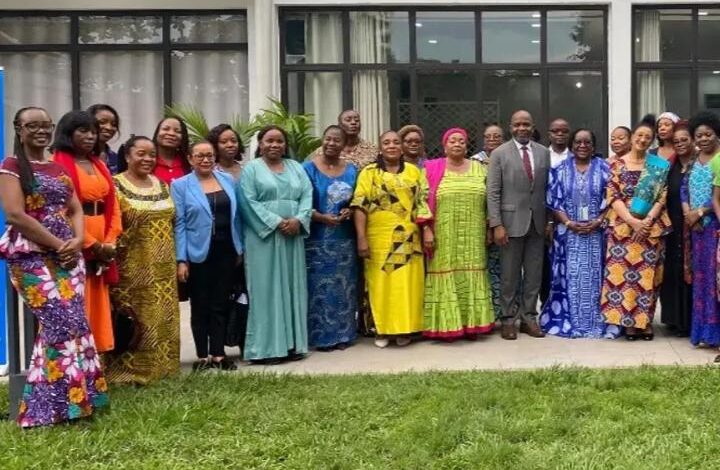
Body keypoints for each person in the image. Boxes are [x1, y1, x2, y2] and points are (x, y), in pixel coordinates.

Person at [0, 107, 108, 427]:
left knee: (75, 323)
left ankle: (80, 401)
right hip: (31, 256)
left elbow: (75, 208)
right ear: (19, 129)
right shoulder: (10, 167)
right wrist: (58, 244)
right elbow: (15, 215)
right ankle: (46, 408)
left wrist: (78, 239)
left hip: (68, 256)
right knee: (58, 323)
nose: (41, 131)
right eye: (32, 125)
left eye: (46, 125)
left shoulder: (56, 167)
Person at [105, 135, 180, 383]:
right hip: (131, 266)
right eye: (141, 154)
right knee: (135, 318)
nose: (148, 159)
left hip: (164, 266)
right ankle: (130, 372)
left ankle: (164, 367)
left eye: (152, 154)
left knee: (163, 316)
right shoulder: (115, 185)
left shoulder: (161, 184)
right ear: (127, 156)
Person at [238, 125, 312, 363]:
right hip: (264, 237)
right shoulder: (251, 169)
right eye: (269, 140)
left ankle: (293, 345)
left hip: (293, 236)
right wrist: (277, 222)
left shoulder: (296, 167)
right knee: (266, 290)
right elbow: (247, 201)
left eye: (279, 141)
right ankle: (266, 349)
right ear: (260, 144)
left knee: (292, 287)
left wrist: (299, 220)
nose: (275, 145)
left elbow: (307, 196)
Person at [351, 130, 430, 348]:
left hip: (409, 238)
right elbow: (359, 206)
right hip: (379, 239)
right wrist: (361, 237)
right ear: (380, 147)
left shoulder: (414, 171)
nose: (392, 146)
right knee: (380, 284)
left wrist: (426, 229)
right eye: (386, 142)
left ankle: (405, 329)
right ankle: (381, 329)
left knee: (406, 285)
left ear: (402, 147)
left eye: (396, 142)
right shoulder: (369, 173)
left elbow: (422, 203)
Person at [52, 110, 122, 354]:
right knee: (76, 303)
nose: (91, 136)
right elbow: (62, 211)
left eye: (93, 131)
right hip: (77, 241)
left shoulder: (99, 163)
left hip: (103, 239)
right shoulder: (57, 165)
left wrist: (110, 241)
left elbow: (113, 205)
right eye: (83, 131)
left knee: (98, 304)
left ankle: (94, 360)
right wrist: (93, 245)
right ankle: (75, 360)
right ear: (67, 133)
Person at [173, 141, 243, 371]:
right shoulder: (181, 185)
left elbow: (236, 217)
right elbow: (180, 224)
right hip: (197, 254)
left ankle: (219, 354)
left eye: (210, 155)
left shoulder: (227, 179)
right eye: (200, 156)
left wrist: (239, 248)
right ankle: (202, 355)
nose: (206, 160)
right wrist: (181, 259)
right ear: (190, 158)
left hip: (226, 251)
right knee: (200, 305)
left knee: (221, 303)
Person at [601, 115, 672, 340]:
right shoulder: (616, 164)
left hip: (651, 229)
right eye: (639, 135)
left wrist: (647, 220)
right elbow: (612, 195)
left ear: (652, 141)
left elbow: (662, 195)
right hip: (623, 229)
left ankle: (645, 322)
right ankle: (628, 323)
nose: (643, 140)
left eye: (647, 137)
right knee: (624, 277)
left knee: (648, 276)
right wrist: (633, 222)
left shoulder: (657, 165)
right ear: (632, 138)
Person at [422, 128, 494, 340]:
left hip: (474, 234)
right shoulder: (431, 168)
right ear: (444, 146)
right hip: (443, 234)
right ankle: (447, 326)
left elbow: (490, 200)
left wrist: (490, 228)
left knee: (473, 273)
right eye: (452, 141)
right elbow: (420, 199)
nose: (457, 144)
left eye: (461, 141)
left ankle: (472, 325)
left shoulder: (481, 169)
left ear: (466, 146)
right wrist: (426, 228)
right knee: (445, 273)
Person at [540, 129, 611, 338]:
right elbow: (554, 202)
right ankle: (570, 320)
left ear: (593, 146)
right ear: (571, 145)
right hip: (568, 234)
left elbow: (613, 198)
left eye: (587, 142)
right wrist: (569, 223)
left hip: (597, 234)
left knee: (597, 276)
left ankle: (597, 320)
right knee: (569, 276)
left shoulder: (606, 168)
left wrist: (598, 221)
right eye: (578, 142)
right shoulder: (559, 170)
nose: (582, 145)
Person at [487, 110, 551, 340]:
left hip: (538, 223)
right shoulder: (499, 153)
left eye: (526, 124)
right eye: (517, 124)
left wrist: (549, 220)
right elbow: (493, 192)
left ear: (532, 127)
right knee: (509, 275)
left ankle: (529, 318)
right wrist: (496, 224)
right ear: (510, 127)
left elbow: (548, 189)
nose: (522, 128)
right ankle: (507, 319)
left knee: (534, 275)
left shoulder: (544, 153)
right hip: (509, 223)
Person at [303, 125, 358, 351]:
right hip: (316, 241)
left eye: (337, 140)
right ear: (322, 140)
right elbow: (300, 202)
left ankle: (344, 335)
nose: (332, 143)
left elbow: (358, 200)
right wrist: (320, 216)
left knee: (344, 288)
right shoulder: (307, 169)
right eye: (328, 139)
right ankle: (321, 337)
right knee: (319, 289)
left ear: (344, 144)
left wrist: (349, 210)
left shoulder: (352, 170)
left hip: (344, 241)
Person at [687, 111, 720, 347]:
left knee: (715, 281)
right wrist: (689, 214)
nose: (703, 138)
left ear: (716, 134)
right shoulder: (693, 160)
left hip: (714, 227)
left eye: (708, 134)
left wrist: (701, 212)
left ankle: (715, 334)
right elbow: (683, 189)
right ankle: (702, 333)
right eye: (699, 135)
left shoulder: (719, 158)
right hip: (696, 231)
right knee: (701, 281)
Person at [661, 122, 694, 337]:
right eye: (676, 141)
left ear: (692, 141)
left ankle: (689, 321)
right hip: (671, 228)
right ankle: (674, 319)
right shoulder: (669, 167)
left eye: (684, 140)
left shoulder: (698, 165)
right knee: (672, 272)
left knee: (690, 272)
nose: (680, 144)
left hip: (694, 227)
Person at [471, 123, 506, 317]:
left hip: (506, 222)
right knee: (484, 269)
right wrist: (487, 223)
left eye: (497, 136)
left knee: (506, 269)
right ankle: (487, 313)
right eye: (488, 136)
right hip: (480, 222)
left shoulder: (510, 157)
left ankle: (506, 312)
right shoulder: (474, 162)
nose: (492, 140)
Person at [310, 110, 378, 169]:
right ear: (339, 124)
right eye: (348, 120)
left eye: (357, 120)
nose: (353, 123)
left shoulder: (372, 149)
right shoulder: (324, 150)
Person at [152, 117, 191, 186]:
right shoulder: (147, 161)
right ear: (157, 133)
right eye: (166, 129)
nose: (171, 133)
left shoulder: (189, 163)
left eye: (177, 131)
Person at [87, 104, 120, 174]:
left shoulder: (116, 158)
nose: (109, 128)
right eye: (102, 122)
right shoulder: (79, 156)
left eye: (114, 124)